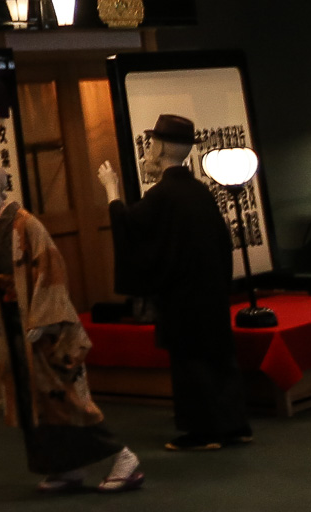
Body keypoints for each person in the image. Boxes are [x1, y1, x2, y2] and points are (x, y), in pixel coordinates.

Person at [0, 160, 143, 495]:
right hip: (8, 327)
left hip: (41, 328)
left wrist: (42, 320)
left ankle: (124, 459)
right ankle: (65, 467)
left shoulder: (27, 225)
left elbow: (51, 270)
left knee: (63, 398)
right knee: (30, 401)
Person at [99, 116, 252, 452]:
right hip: (211, 290)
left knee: (191, 363)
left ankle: (204, 432)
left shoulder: (165, 194)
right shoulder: (198, 191)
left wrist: (112, 190)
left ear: (162, 147)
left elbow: (130, 228)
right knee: (219, 357)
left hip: (183, 296)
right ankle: (235, 425)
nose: (149, 148)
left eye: (153, 142)